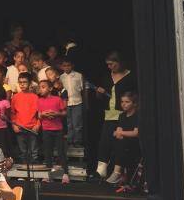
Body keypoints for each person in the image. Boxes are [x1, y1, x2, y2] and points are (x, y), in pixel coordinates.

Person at [94, 51, 137, 179]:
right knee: (104, 142)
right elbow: (100, 96)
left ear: (119, 63)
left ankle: (117, 172)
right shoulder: (107, 76)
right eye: (108, 65)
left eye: (112, 64)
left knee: (120, 142)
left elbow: (134, 96)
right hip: (109, 114)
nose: (109, 67)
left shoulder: (130, 76)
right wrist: (99, 93)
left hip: (124, 114)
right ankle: (101, 170)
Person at [37, 80, 69, 183]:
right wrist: (44, 114)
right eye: (40, 87)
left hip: (58, 129)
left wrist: (56, 114)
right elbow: (39, 115)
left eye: (43, 87)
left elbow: (64, 112)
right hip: (46, 130)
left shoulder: (57, 99)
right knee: (48, 153)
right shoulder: (39, 100)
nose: (40, 89)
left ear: (50, 88)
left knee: (61, 152)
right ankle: (48, 174)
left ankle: (65, 173)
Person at [107, 92, 141, 186]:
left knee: (122, 142)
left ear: (134, 103)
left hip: (135, 143)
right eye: (122, 102)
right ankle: (118, 173)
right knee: (117, 141)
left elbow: (135, 133)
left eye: (127, 102)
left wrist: (121, 133)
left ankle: (117, 173)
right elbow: (118, 131)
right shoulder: (122, 116)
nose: (123, 104)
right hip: (124, 142)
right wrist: (120, 133)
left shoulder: (137, 115)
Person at [11, 73, 39, 163]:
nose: (22, 84)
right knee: (23, 152)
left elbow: (39, 114)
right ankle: (24, 173)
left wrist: (37, 125)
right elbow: (12, 113)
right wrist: (14, 125)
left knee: (33, 151)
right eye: (20, 82)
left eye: (25, 82)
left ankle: (34, 174)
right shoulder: (15, 97)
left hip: (32, 127)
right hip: (20, 128)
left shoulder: (35, 97)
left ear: (30, 83)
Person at [58, 57, 84, 147]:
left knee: (77, 123)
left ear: (72, 65)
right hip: (67, 103)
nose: (66, 67)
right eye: (64, 66)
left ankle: (77, 141)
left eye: (68, 65)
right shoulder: (61, 77)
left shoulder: (78, 75)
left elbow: (82, 88)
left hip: (77, 102)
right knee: (69, 123)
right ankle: (70, 140)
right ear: (62, 67)